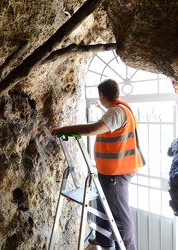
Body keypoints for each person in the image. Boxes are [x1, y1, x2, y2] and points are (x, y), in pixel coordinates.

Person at [51, 79, 143, 250]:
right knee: (105, 205)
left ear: (102, 94)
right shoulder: (118, 110)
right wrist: (101, 110)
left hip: (117, 172)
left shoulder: (117, 112)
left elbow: (92, 129)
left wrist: (64, 129)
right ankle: (104, 239)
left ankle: (128, 248)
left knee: (120, 217)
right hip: (111, 170)